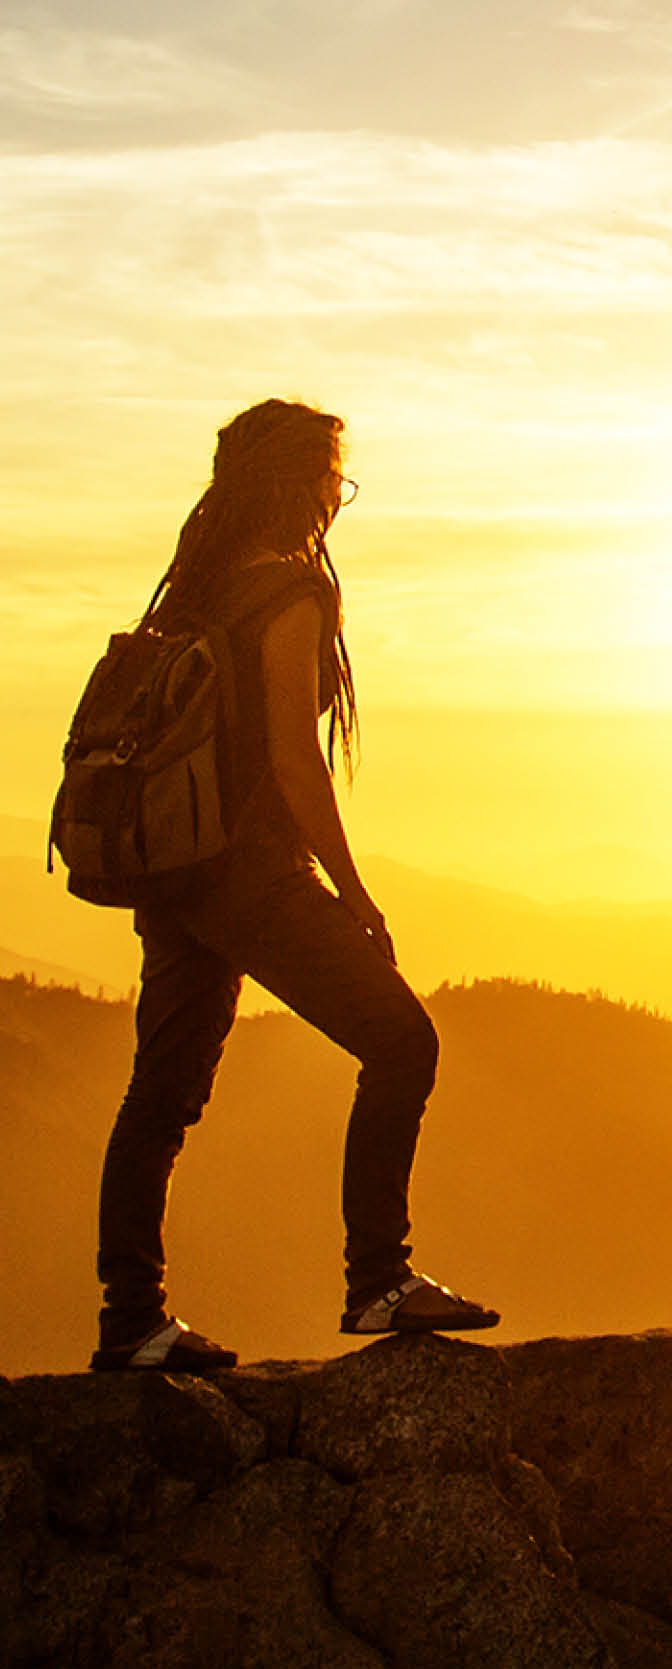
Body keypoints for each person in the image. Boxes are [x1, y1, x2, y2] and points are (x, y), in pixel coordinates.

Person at [91, 397, 499, 1371]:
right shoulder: (287, 592)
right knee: (402, 1042)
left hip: (175, 875)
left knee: (161, 1098)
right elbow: (292, 762)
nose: (336, 495)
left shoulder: (198, 589)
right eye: (333, 477)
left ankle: (131, 1323)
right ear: (299, 483)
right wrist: (355, 895)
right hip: (250, 875)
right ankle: (378, 1279)